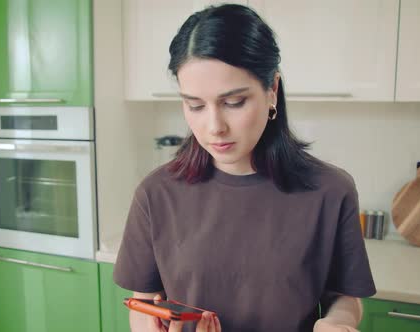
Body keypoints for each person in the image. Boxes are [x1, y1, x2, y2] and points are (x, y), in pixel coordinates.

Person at [114, 4, 376, 332]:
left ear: (272, 91)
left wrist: (337, 323)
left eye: (234, 102)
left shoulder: (330, 190)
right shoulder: (156, 193)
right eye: (194, 105)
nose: (214, 127)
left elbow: (344, 297)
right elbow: (143, 304)